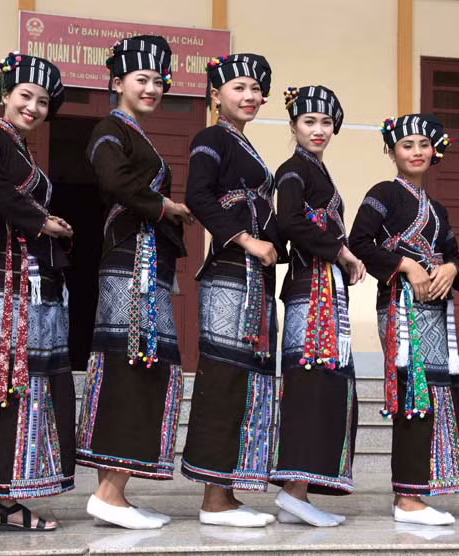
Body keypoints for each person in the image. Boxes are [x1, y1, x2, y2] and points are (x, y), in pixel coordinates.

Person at [76, 35, 192, 530]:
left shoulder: (135, 134)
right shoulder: (109, 129)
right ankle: (108, 493)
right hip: (131, 266)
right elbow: (114, 181)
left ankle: (115, 492)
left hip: (146, 265)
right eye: (141, 79)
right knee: (133, 365)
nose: (151, 88)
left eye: (158, 81)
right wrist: (165, 206)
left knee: (142, 365)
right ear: (117, 82)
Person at [0, 51, 74, 532]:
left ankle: (10, 496)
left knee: (28, 385)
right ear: (5, 95)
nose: (33, 107)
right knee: (2, 382)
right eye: (25, 96)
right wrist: (40, 221)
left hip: (31, 283)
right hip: (3, 282)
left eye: (42, 101)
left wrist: (50, 226)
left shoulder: (24, 150)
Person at [349, 114, 459, 525]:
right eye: (407, 145)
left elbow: (454, 255)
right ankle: (407, 499)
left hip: (436, 312)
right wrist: (405, 264)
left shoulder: (437, 208)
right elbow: (359, 241)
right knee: (412, 394)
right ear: (391, 152)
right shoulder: (383, 194)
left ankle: (421, 491)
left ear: (435, 151)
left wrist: (451, 269)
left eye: (423, 144)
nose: (416, 152)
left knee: (436, 394)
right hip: (400, 309)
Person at [182, 53, 286, 528]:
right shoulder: (211, 138)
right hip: (229, 273)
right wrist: (247, 240)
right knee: (224, 376)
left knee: (247, 378)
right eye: (238, 87)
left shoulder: (245, 145)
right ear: (215, 95)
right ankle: (214, 499)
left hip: (255, 277)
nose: (248, 96)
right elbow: (198, 196)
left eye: (255, 89)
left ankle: (227, 491)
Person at [270, 85, 366, 527]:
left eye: (326, 122)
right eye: (309, 121)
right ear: (293, 126)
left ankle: (299, 493)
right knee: (310, 384)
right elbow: (290, 221)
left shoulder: (317, 171)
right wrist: (341, 251)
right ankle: (292, 490)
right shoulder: (293, 170)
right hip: (310, 291)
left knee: (326, 386)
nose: (318, 129)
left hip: (325, 289)